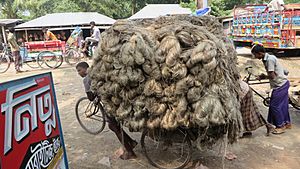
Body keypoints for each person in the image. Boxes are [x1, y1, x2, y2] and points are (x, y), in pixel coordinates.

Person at [76, 62, 137, 160]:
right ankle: (131, 142)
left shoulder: (87, 79)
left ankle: (130, 152)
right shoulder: (98, 71)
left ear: (85, 68)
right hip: (117, 99)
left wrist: (92, 92)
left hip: (109, 103)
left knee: (114, 126)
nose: (78, 73)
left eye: (79, 70)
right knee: (113, 125)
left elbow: (91, 98)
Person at [251, 44, 291, 134]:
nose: (255, 56)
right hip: (283, 84)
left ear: (260, 53)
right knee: (283, 105)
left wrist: (263, 76)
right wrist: (264, 76)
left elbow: (272, 76)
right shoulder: (269, 58)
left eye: (255, 54)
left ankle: (280, 126)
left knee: (274, 106)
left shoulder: (269, 60)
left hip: (280, 85)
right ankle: (287, 123)